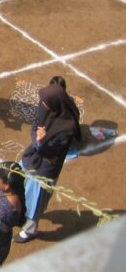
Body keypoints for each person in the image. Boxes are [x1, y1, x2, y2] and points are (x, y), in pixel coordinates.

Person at [15, 83, 81, 243]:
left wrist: (41, 141)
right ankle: (20, 213)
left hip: (44, 169)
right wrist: (37, 139)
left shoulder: (67, 128)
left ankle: (30, 230)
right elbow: (34, 126)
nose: (42, 104)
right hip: (32, 156)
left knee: (35, 199)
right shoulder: (44, 106)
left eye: (45, 102)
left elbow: (51, 153)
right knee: (18, 183)